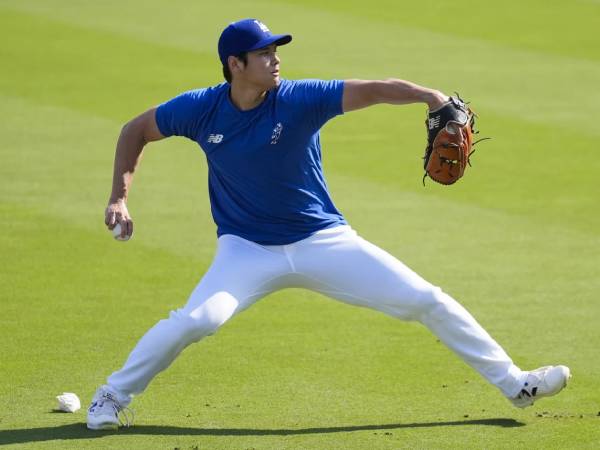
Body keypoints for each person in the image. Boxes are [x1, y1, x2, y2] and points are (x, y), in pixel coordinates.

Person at [87, 18, 570, 430]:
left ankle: (516, 384)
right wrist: (119, 198)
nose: (276, 60)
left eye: (277, 51)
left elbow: (376, 89)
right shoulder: (199, 108)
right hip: (246, 249)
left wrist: (431, 96)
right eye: (264, 53)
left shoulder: (300, 99)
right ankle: (111, 396)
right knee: (196, 321)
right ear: (236, 64)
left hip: (323, 240)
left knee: (425, 300)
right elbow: (136, 130)